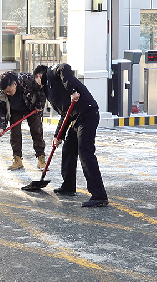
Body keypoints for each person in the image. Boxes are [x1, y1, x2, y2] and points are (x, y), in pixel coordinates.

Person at [34, 64, 108, 208]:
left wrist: (72, 91)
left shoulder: (52, 74)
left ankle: (99, 195)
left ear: (39, 76)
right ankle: (68, 186)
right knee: (68, 149)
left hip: (87, 113)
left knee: (85, 152)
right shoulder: (48, 90)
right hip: (76, 118)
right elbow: (65, 113)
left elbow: (64, 67)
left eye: (35, 80)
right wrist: (58, 135)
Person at [0, 71, 46, 171]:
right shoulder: (0, 89)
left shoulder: (27, 79)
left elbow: (42, 89)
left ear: (15, 84)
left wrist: (40, 105)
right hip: (14, 109)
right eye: (5, 92)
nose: (7, 94)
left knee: (37, 131)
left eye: (9, 91)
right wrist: (1, 126)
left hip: (32, 106)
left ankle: (41, 158)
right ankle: (17, 159)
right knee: (15, 133)